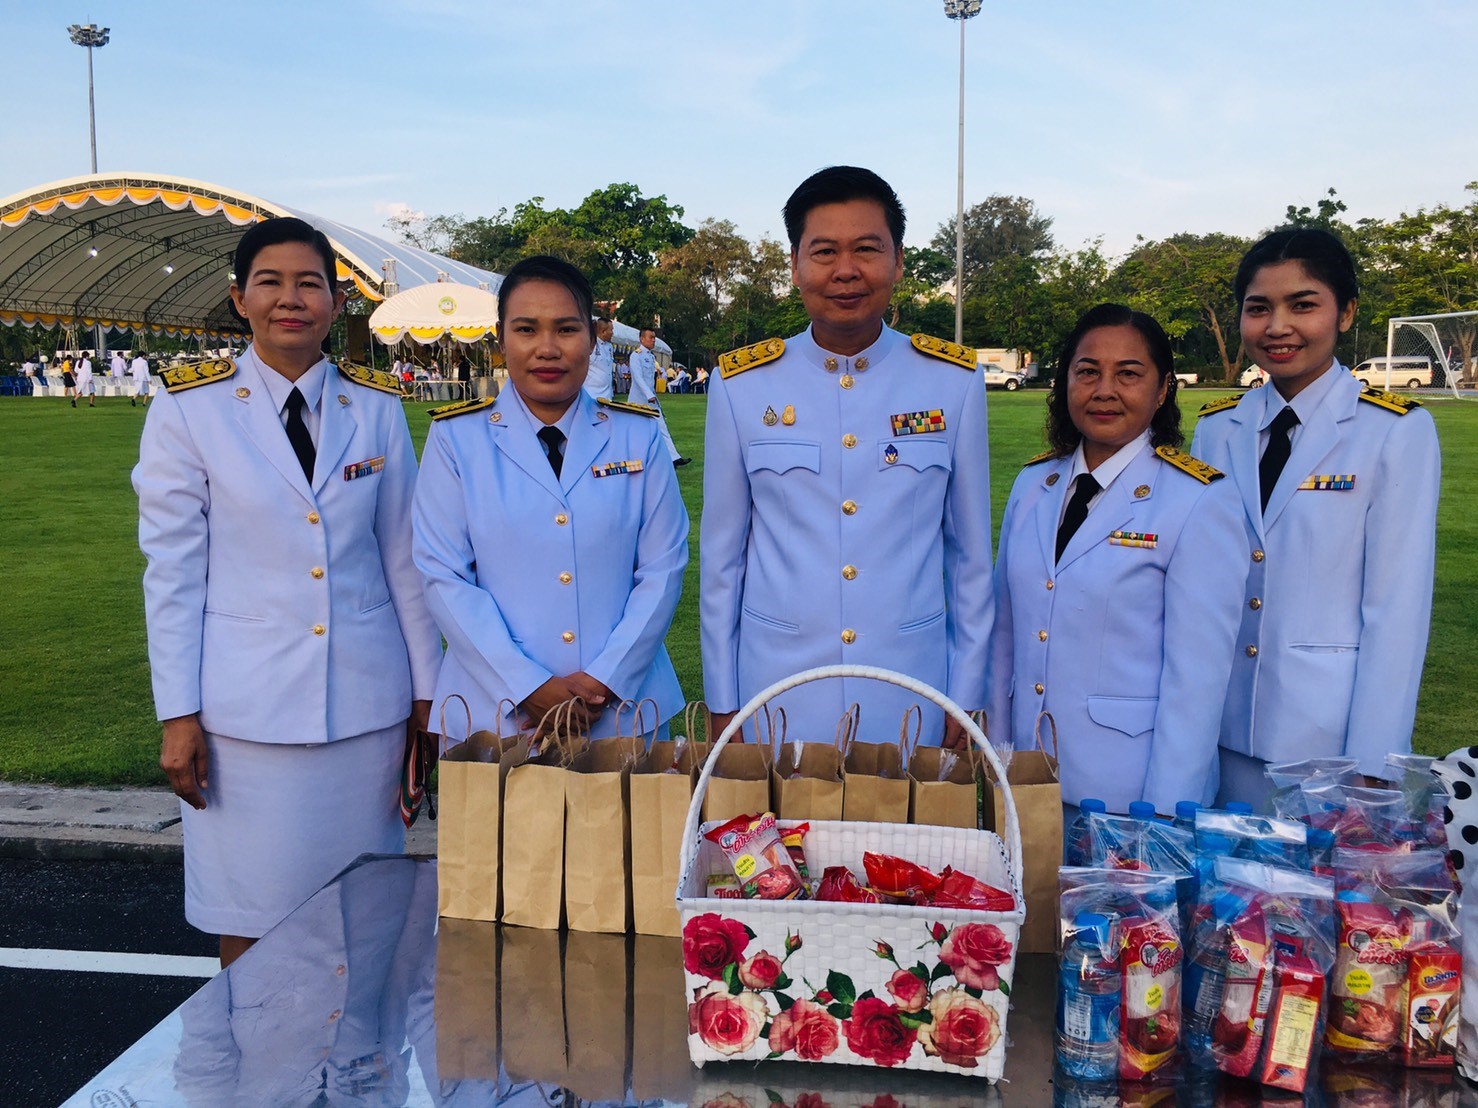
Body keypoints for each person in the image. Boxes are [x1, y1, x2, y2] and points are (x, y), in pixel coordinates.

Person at [133, 216, 441, 967]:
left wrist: (428, 698)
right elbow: (172, 571)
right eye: (270, 282)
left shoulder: (375, 405)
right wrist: (178, 714)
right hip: (245, 721)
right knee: (253, 917)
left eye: (310, 283)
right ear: (239, 299)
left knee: (367, 915)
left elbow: (405, 557)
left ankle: (359, 1079)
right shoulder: (187, 408)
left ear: (338, 301)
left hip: (366, 710)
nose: (290, 299)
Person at [701, 165, 993, 748]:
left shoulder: (952, 381)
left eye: (867, 249)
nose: (846, 271)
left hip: (911, 688)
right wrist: (721, 699)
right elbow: (722, 559)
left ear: (899, 261)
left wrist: (966, 693)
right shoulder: (741, 385)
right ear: (795, 265)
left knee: (911, 842)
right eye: (824, 251)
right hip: (776, 689)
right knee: (777, 839)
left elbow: (970, 559)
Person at [1191, 227, 1441, 809]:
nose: (1278, 327)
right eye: (1259, 309)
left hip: (1326, 747)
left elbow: (1397, 608)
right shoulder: (1217, 426)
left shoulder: (1393, 431)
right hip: (1215, 727)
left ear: (1346, 312)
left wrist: (1375, 760)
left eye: (1303, 305)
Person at [985, 304, 1248, 815]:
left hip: (1128, 793)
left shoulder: (1196, 500)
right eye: (1087, 372)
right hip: (1025, 779)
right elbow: (1005, 631)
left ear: (1164, 388)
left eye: (1128, 374)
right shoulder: (1035, 484)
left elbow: (1197, 679)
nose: (1104, 390)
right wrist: (998, 757)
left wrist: (1168, 815)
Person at [414, 256, 687, 740]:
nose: (547, 348)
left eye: (565, 329)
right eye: (526, 329)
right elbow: (443, 576)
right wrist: (527, 686)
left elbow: (663, 569)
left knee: (630, 819)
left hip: (622, 712)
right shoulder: (458, 439)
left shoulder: (636, 437)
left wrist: (604, 680)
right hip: (496, 717)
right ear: (501, 340)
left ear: (592, 339)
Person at [628, 327, 688, 465]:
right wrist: (648, 394)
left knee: (662, 426)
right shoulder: (635, 356)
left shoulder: (650, 356)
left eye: (654, 337)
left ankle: (674, 458)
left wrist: (651, 395)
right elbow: (638, 378)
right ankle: (635, 457)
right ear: (642, 339)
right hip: (638, 399)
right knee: (635, 430)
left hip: (651, 399)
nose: (654, 340)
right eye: (651, 337)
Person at [584, 317, 615, 401]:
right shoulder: (590, 345)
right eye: (611, 330)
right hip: (592, 393)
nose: (612, 333)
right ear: (603, 332)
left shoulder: (609, 347)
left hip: (607, 394)